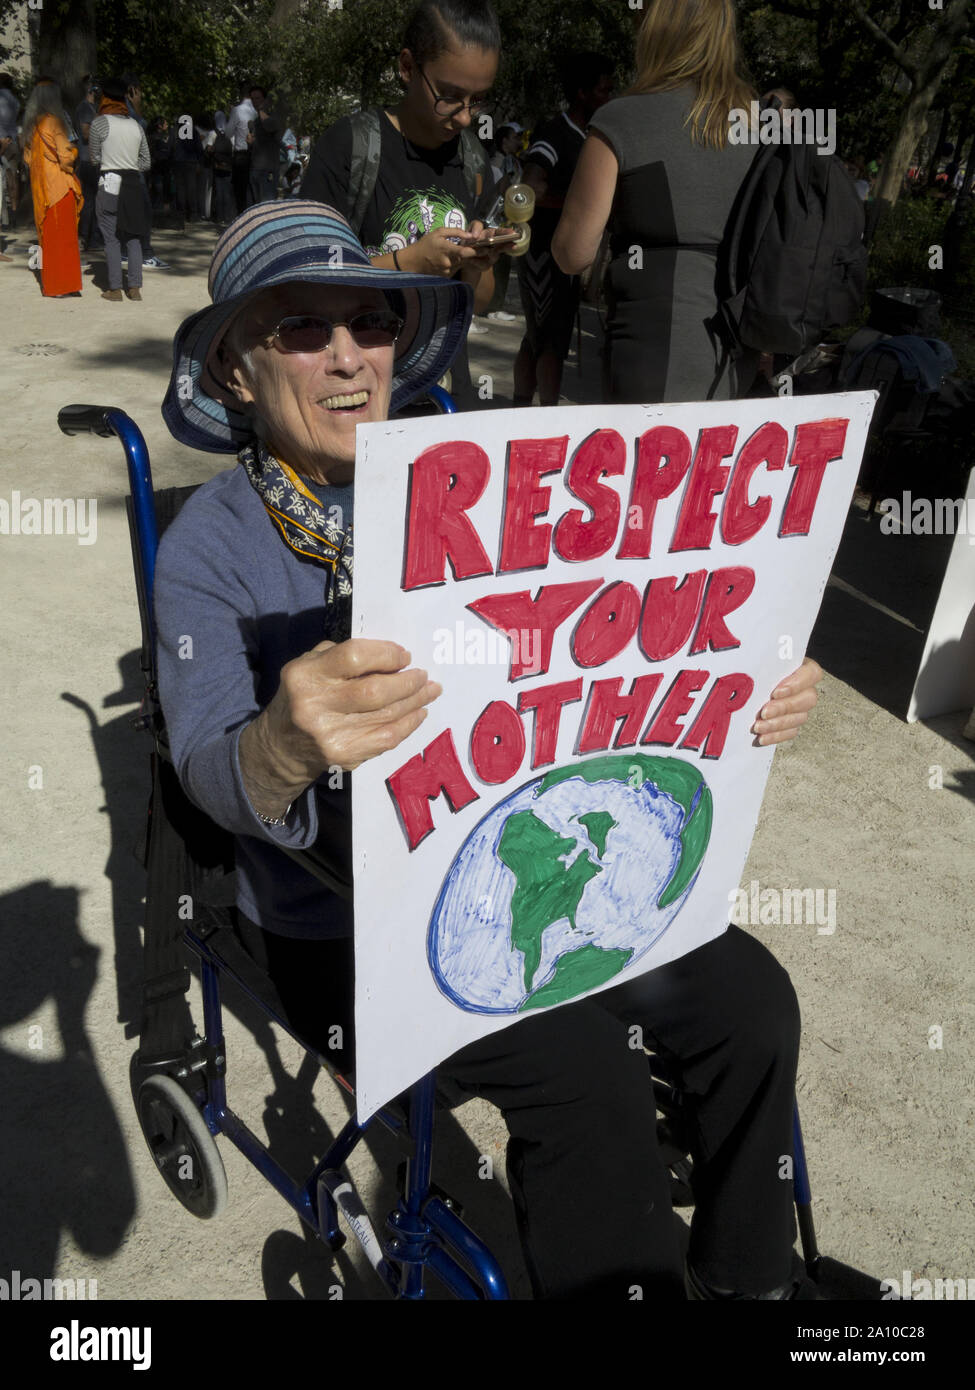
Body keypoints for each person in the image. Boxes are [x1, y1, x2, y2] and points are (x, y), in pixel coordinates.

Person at [156, 198, 823, 1300]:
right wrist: (280, 743)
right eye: (300, 331)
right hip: (349, 913)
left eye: (368, 324)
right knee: (588, 1079)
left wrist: (746, 682)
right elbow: (206, 771)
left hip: (535, 832)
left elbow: (615, 641)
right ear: (234, 367)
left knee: (755, 1002)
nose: (346, 358)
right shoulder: (211, 549)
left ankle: (752, 1279)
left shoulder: (473, 473)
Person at [301, 0, 509, 408]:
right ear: (408, 68)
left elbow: (478, 302)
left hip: (444, 394)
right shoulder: (349, 147)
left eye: (478, 100)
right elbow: (307, 279)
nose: (466, 118)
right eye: (450, 96)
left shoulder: (473, 161)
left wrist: (478, 262)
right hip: (354, 393)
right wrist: (408, 263)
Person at [552, 0, 760, 403]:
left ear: (655, 31)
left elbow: (572, 254)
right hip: (740, 353)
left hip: (652, 350)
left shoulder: (621, 119)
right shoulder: (758, 124)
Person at [513, 53, 614, 404]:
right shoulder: (556, 134)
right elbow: (529, 187)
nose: (609, 97)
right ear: (582, 94)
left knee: (542, 337)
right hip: (542, 255)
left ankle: (522, 410)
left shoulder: (589, 138)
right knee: (548, 340)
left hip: (560, 259)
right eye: (604, 90)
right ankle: (541, 420)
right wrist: (577, 207)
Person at [89, 76, 151, 301]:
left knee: (111, 235)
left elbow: (94, 158)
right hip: (133, 182)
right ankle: (134, 287)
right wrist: (130, 164)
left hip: (109, 181)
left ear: (103, 97)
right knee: (133, 236)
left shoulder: (99, 123)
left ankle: (115, 288)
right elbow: (146, 162)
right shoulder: (136, 125)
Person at [21, 77, 82, 297]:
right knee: (64, 240)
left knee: (48, 239)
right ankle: (65, 285)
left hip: (41, 191)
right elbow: (66, 156)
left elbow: (28, 159)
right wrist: (74, 153)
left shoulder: (31, 125)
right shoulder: (54, 121)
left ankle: (53, 285)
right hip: (59, 189)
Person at [74, 74, 102, 251]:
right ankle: (86, 238)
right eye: (96, 87)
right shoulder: (85, 108)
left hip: (93, 160)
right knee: (90, 201)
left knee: (95, 201)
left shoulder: (93, 108)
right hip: (87, 160)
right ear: (91, 89)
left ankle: (92, 238)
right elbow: (85, 133)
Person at [226, 84, 259, 213]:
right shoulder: (257, 112)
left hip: (241, 155)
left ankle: (241, 218)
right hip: (256, 155)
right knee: (253, 190)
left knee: (240, 191)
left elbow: (228, 133)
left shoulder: (237, 110)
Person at [245, 91, 281, 205]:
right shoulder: (255, 121)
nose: (255, 101)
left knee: (267, 206)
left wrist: (261, 110)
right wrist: (251, 142)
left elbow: (270, 127)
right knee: (257, 207)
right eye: (253, 99)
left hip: (268, 170)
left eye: (258, 98)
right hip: (255, 168)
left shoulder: (274, 117)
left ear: (265, 101)